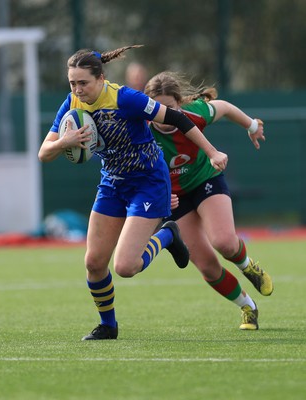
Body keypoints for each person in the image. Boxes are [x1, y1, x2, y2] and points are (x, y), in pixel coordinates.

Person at [38, 46, 228, 340]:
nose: (77, 89)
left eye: (83, 83)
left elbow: (177, 118)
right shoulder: (72, 103)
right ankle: (108, 326)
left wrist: (212, 152)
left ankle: (167, 235)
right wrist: (66, 141)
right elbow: (43, 153)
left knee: (125, 267)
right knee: (93, 263)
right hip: (112, 183)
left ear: (100, 78)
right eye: (72, 83)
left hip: (148, 181)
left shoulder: (126, 98)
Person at [144, 71, 274, 330]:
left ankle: (248, 266)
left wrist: (251, 126)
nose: (163, 115)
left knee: (224, 243)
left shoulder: (194, 113)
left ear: (179, 103)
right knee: (207, 265)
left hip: (205, 181)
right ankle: (247, 306)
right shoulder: (141, 128)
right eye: (156, 108)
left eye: (168, 108)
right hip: (175, 198)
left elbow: (223, 107)